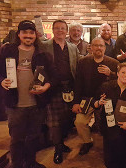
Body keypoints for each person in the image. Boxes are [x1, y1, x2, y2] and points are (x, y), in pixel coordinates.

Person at [0, 20, 54, 168]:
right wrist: (1, 81)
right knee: (16, 139)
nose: (28, 36)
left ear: (35, 35)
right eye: (25, 33)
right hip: (15, 105)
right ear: (19, 34)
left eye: (31, 33)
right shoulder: (7, 50)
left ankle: (30, 163)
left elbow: (53, 77)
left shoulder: (43, 53)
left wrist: (46, 87)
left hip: (36, 104)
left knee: (34, 137)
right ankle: (16, 164)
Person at [41, 20, 80, 164]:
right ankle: (57, 148)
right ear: (52, 30)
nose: (60, 31)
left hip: (69, 88)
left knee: (67, 118)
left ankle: (61, 143)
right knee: (54, 121)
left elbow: (77, 67)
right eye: (57, 28)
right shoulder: (44, 46)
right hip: (52, 88)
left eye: (63, 28)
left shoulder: (72, 47)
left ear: (66, 31)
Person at [72, 37, 119, 156]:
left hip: (107, 100)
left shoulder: (113, 63)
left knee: (108, 124)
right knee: (79, 122)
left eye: (101, 46)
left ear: (105, 48)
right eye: (96, 45)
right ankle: (87, 142)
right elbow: (78, 83)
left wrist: (111, 74)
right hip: (88, 99)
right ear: (91, 47)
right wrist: (76, 102)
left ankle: (110, 145)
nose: (99, 48)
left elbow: (122, 81)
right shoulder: (83, 62)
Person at [95, 62, 126, 168]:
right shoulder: (106, 87)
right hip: (109, 123)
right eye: (123, 72)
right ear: (117, 73)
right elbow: (95, 103)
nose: (125, 75)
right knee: (116, 139)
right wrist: (99, 102)